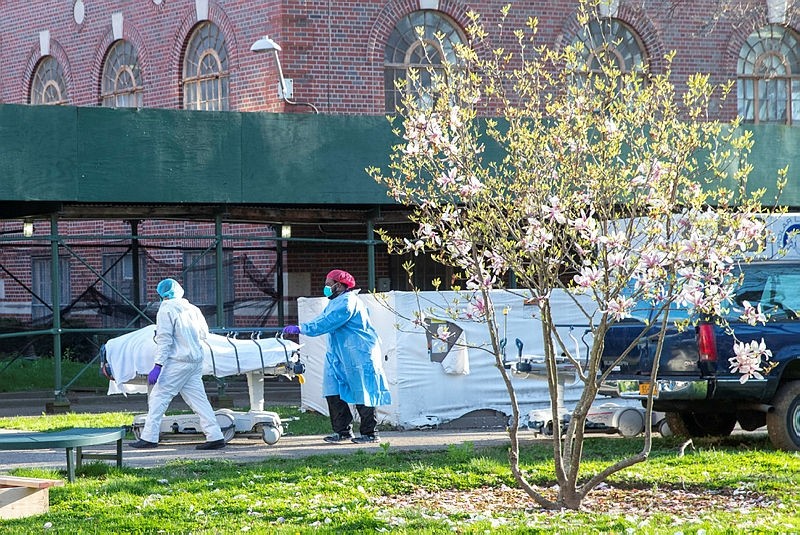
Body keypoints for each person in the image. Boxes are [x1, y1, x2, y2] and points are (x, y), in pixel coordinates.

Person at [283, 269, 391, 444]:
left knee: (362, 390)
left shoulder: (348, 302)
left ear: (338, 285)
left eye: (328, 284)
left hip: (359, 353)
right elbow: (325, 319)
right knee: (332, 390)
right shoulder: (335, 302)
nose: (325, 287)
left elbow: (327, 322)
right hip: (339, 354)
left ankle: (370, 433)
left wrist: (302, 328)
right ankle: (343, 431)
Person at [129, 278, 227, 450]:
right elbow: (204, 334)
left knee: (158, 397)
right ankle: (216, 435)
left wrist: (158, 366)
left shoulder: (166, 309)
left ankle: (149, 438)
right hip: (195, 361)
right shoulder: (192, 308)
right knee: (199, 401)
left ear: (162, 294)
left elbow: (164, 340)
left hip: (178, 362)